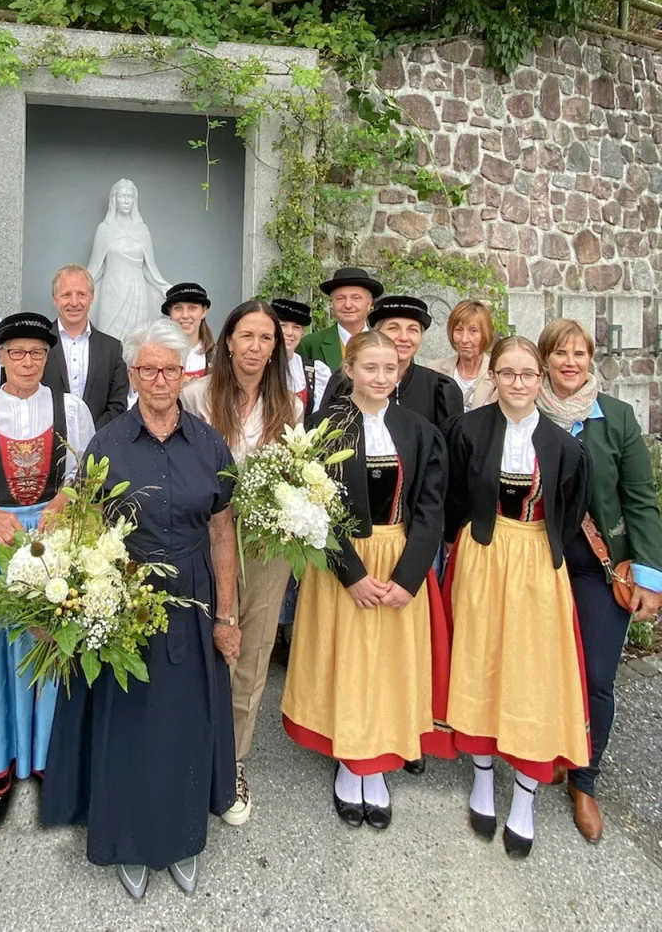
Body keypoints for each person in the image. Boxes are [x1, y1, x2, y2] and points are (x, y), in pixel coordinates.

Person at [40, 318, 238, 899]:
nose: (158, 379)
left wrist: (226, 616)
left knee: (183, 723)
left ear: (184, 374)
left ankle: (179, 838)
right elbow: (81, 525)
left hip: (194, 596)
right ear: (131, 373)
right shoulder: (105, 443)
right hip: (124, 595)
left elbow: (223, 532)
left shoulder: (209, 443)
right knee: (127, 722)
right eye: (147, 368)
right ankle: (126, 839)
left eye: (169, 369)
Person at [282, 331, 453, 829]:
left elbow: (429, 509)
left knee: (388, 664)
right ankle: (349, 761)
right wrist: (352, 575)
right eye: (370, 367)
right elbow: (312, 511)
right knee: (347, 660)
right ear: (349, 368)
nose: (381, 377)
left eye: (390, 368)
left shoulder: (419, 431)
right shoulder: (321, 427)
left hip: (399, 556)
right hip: (344, 563)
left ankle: (377, 762)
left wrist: (408, 577)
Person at [443, 336, 593, 859]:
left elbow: (570, 514)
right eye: (507, 374)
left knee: (532, 673)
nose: (518, 383)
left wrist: (534, 547)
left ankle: (525, 794)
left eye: (528, 374)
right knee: (480, 662)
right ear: (494, 375)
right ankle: (483, 775)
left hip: (535, 564)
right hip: (482, 554)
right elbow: (455, 497)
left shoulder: (566, 446)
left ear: (541, 378)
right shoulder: (467, 429)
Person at [0, 312, 95, 826]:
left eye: (37, 352)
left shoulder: (71, 409)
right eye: (17, 352)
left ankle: (47, 758)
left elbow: (86, 473)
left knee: (50, 644)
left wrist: (62, 504)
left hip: (52, 543)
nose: (28, 361)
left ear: (48, 357)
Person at [535, 319, 662, 844]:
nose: (570, 362)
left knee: (596, 674)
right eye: (560, 353)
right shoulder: (524, 413)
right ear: (544, 361)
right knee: (543, 667)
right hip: (535, 562)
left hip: (597, 564)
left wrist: (651, 575)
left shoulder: (618, 419)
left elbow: (640, 497)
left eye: (579, 354)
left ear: (590, 361)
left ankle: (584, 779)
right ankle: (548, 752)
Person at [182, 300, 301, 827]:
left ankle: (232, 760)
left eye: (266, 339)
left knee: (251, 649)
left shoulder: (288, 407)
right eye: (246, 336)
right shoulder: (195, 397)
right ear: (227, 340)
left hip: (266, 542)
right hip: (204, 538)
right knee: (197, 640)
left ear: (277, 348)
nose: (255, 347)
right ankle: (189, 750)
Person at [321, 296, 464, 432]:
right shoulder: (346, 382)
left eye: (412, 330)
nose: (403, 337)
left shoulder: (438, 388)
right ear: (376, 333)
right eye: (393, 328)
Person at [41, 264, 128, 429]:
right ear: (55, 299)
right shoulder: (38, 347)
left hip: (98, 446)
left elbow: (117, 406)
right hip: (49, 445)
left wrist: (90, 436)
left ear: (91, 297)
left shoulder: (113, 349)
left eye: (81, 294)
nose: (74, 302)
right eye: (66, 294)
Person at [87, 179, 171, 341]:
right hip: (112, 290)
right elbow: (96, 267)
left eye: (130, 197)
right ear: (114, 199)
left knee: (136, 338)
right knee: (108, 337)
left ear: (135, 200)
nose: (126, 201)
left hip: (137, 291)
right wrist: (79, 288)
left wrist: (164, 287)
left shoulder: (142, 230)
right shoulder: (104, 230)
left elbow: (150, 269)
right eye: (122, 196)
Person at [297, 266, 384, 370]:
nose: (348, 305)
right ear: (332, 303)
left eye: (356, 298)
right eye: (340, 298)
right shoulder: (310, 345)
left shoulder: (384, 343)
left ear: (369, 303)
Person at [428, 300, 498, 411]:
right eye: (458, 330)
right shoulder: (433, 371)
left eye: (473, 331)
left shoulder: (497, 376)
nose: (464, 339)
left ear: (485, 334)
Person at [272, 298, 331, 416]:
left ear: (303, 332)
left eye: (296, 327)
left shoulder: (315, 372)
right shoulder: (259, 366)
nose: (290, 332)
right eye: (283, 325)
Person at [162, 281, 214, 380]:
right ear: (170, 312)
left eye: (192, 308)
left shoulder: (219, 357)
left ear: (204, 311)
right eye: (178, 308)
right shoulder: (156, 354)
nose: (185, 315)